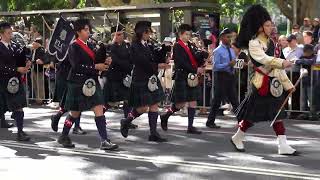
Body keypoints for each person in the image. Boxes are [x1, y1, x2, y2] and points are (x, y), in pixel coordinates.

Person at [232, 5, 299, 155]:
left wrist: (288, 85)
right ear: (260, 27)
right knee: (252, 116)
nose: (271, 27)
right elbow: (265, 59)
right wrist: (282, 62)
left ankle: (282, 145)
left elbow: (277, 69)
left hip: (274, 84)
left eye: (271, 25)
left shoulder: (274, 44)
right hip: (260, 84)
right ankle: (237, 137)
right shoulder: (253, 44)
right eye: (267, 25)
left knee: (278, 115)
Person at [57, 19, 118, 150]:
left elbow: (96, 60)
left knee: (99, 109)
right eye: (85, 30)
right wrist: (96, 66)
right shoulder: (73, 46)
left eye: (88, 29)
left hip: (91, 82)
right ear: (78, 32)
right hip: (78, 82)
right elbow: (76, 66)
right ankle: (63, 135)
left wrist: (105, 61)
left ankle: (104, 140)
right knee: (74, 113)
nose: (88, 32)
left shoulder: (90, 45)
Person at [120, 21, 171, 142]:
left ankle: (153, 133)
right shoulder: (135, 46)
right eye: (148, 32)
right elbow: (142, 62)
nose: (150, 35)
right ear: (142, 33)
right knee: (142, 108)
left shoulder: (147, 45)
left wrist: (163, 50)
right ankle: (126, 121)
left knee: (154, 105)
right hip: (141, 78)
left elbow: (154, 56)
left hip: (151, 78)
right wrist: (158, 65)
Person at [159, 24, 209, 134]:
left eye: (189, 34)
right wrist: (195, 69)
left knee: (193, 102)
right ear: (180, 34)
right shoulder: (177, 46)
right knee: (180, 104)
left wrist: (202, 55)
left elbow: (195, 58)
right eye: (186, 34)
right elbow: (181, 62)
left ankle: (190, 127)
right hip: (182, 76)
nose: (188, 36)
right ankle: (165, 115)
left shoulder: (190, 45)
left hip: (191, 76)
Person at [0, 22, 31, 140]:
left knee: (19, 106)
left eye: (11, 32)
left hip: (14, 82)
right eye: (8, 33)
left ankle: (20, 132)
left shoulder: (14, 46)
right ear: (1, 34)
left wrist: (26, 63)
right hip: (3, 81)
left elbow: (21, 57)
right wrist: (16, 69)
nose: (11, 35)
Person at [103, 24, 137, 129]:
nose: (120, 36)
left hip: (124, 77)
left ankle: (127, 120)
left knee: (128, 99)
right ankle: (99, 117)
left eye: (121, 34)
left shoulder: (127, 45)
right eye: (117, 35)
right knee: (110, 102)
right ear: (113, 36)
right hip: (114, 77)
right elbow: (115, 61)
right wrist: (127, 66)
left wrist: (129, 66)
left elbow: (131, 59)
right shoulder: (110, 47)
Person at [206, 28, 239, 128]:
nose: (229, 39)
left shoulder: (231, 50)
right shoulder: (217, 51)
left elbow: (233, 62)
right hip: (221, 76)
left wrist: (233, 67)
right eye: (227, 37)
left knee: (234, 100)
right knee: (217, 100)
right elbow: (216, 66)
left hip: (230, 76)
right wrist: (228, 64)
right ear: (221, 38)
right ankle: (210, 121)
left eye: (230, 37)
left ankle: (242, 121)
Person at [282, 34, 303, 119]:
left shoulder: (300, 50)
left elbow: (302, 60)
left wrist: (295, 61)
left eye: (290, 41)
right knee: (284, 93)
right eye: (288, 42)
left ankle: (295, 112)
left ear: (295, 41)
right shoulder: (285, 50)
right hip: (285, 73)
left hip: (295, 73)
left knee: (295, 93)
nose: (289, 43)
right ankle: (285, 111)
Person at [295, 44, 317, 120]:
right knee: (303, 99)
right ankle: (304, 113)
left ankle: (313, 114)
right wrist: (301, 61)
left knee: (312, 99)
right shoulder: (302, 57)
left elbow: (310, 62)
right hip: (303, 82)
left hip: (312, 82)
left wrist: (302, 61)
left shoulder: (314, 57)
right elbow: (297, 61)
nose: (304, 53)